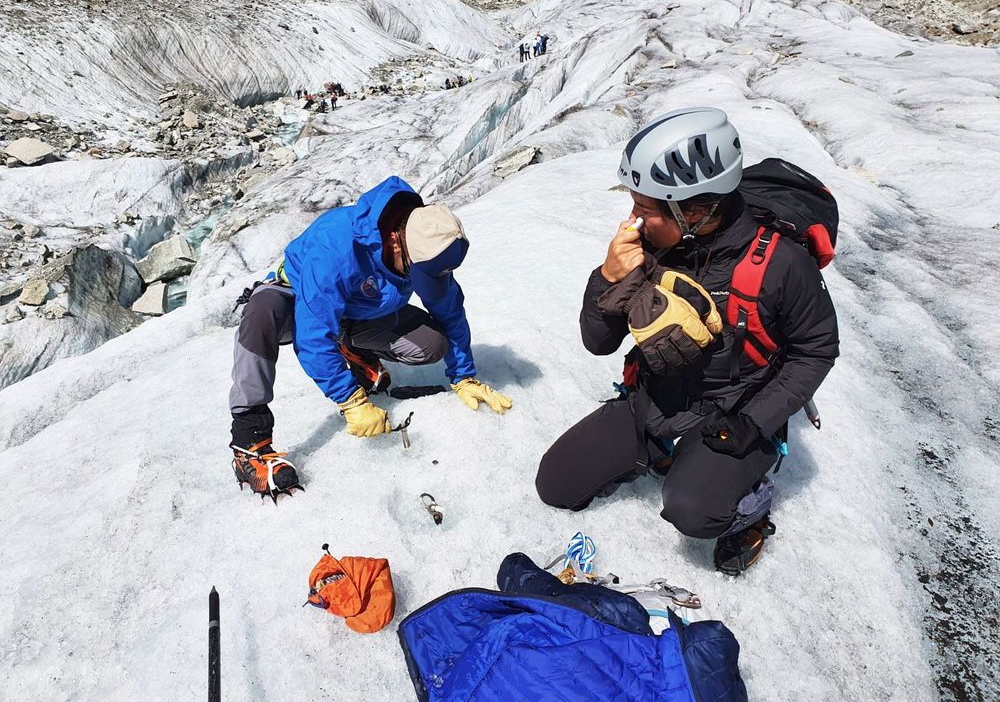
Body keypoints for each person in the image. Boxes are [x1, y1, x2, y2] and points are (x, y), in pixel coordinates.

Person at [535, 107, 838, 574]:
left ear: (694, 210)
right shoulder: (653, 247)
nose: (632, 220)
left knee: (694, 511)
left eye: (645, 209)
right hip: (658, 395)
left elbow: (815, 350)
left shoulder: (781, 264)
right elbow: (598, 343)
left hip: (735, 408)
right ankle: (665, 453)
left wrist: (754, 423)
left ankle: (750, 507)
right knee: (556, 484)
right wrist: (607, 278)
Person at [229, 177, 513, 502]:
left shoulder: (424, 244)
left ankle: (350, 348)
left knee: (432, 342)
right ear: (396, 242)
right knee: (260, 313)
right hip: (296, 301)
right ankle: (249, 439)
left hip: (356, 312)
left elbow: (450, 311)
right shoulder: (335, 246)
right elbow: (311, 335)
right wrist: (350, 400)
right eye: (416, 273)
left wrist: (463, 375)